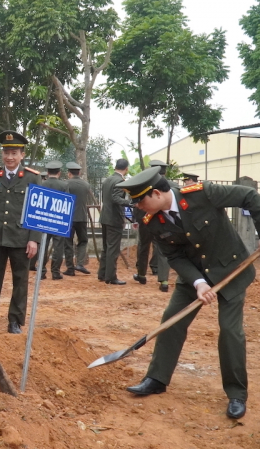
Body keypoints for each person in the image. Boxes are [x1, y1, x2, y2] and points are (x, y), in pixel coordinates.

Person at [117, 167, 260, 420]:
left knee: (230, 330)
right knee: (172, 321)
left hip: (230, 269)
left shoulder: (203, 194)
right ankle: (157, 379)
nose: (138, 206)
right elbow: (173, 255)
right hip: (193, 274)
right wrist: (197, 283)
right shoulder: (151, 222)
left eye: (141, 200)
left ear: (158, 193)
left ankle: (237, 394)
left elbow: (250, 197)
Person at [0, 131, 41, 334]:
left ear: (22, 155)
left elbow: (36, 211)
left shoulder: (33, 177)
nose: (9, 157)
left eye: (14, 153)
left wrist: (34, 240)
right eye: (6, 152)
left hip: (21, 238)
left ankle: (15, 321)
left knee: (20, 282)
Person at [133, 160, 171, 292]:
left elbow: (137, 204)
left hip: (146, 220)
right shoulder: (171, 185)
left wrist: (137, 220)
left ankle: (142, 274)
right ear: (164, 172)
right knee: (162, 248)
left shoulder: (144, 185)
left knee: (144, 245)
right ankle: (164, 280)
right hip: (164, 221)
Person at [97, 158, 131, 285]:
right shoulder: (120, 181)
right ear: (126, 169)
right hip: (114, 219)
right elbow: (116, 198)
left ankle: (102, 274)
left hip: (105, 217)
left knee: (106, 247)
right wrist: (130, 203)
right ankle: (111, 277)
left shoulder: (108, 180)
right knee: (113, 248)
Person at [40, 161, 69, 280]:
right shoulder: (63, 185)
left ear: (47, 172)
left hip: (43, 219)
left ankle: (41, 272)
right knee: (58, 247)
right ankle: (55, 272)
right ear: (59, 172)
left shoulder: (42, 184)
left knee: (43, 246)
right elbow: (67, 204)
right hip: (58, 220)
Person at [65, 162, 93, 275]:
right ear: (79, 172)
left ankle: (70, 268)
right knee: (83, 240)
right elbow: (89, 200)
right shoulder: (86, 185)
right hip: (82, 217)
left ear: (69, 173)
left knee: (67, 242)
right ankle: (80, 264)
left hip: (69, 218)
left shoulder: (66, 184)